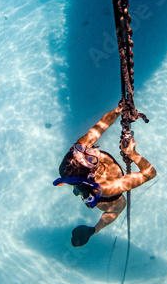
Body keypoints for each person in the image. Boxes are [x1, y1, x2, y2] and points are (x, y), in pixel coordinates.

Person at [54, 105, 157, 247]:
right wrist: (132, 154)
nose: (91, 151)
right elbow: (149, 174)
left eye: (82, 150)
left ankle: (78, 187)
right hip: (106, 200)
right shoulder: (108, 187)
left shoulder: (81, 149)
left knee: (81, 180)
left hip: (85, 182)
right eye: (89, 159)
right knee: (120, 207)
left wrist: (117, 110)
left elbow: (103, 124)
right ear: (91, 174)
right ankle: (93, 230)